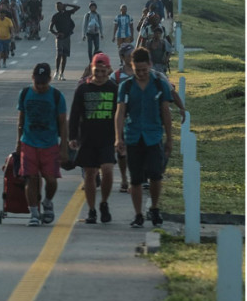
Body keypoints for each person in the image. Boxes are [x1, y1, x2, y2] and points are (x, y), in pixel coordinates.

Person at [115, 48, 173, 228]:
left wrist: (169, 139)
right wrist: (118, 137)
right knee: (136, 178)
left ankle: (154, 208)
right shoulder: (126, 86)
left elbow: (165, 112)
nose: (141, 73)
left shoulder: (159, 85)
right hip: (133, 136)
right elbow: (120, 112)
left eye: (144, 69)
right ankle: (138, 213)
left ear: (150, 65)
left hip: (153, 136)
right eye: (137, 70)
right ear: (132, 67)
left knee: (156, 174)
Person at [16, 63, 68, 227]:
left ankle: (47, 202)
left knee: (51, 180)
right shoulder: (25, 94)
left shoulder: (57, 96)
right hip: (29, 142)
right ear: (33, 79)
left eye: (43, 83)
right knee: (31, 178)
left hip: (49, 144)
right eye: (37, 82)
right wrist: (18, 143)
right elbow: (21, 120)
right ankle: (34, 213)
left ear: (49, 80)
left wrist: (64, 147)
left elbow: (63, 123)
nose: (40, 86)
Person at [69, 53, 118, 224]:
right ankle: (91, 210)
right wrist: (72, 137)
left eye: (103, 71)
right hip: (87, 139)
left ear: (108, 70)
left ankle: (103, 203)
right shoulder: (83, 89)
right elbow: (74, 114)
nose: (100, 74)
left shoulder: (113, 88)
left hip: (108, 138)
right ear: (92, 69)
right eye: (97, 70)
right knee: (90, 174)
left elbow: (120, 115)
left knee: (108, 171)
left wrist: (121, 138)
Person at [49, 2, 79, 81]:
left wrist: (68, 4)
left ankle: (62, 73)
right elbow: (50, 28)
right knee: (59, 54)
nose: (58, 7)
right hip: (59, 38)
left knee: (64, 55)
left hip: (67, 37)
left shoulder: (67, 13)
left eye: (60, 6)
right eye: (57, 6)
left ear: (63, 6)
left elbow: (77, 7)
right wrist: (57, 34)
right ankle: (56, 71)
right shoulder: (55, 16)